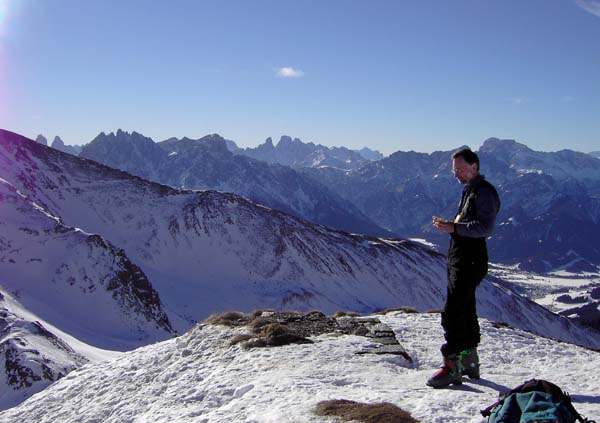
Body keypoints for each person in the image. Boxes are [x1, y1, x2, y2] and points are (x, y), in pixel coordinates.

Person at [427, 148, 500, 388]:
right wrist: (451, 226)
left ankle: (451, 365)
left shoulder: (484, 193)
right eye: (454, 169)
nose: (455, 174)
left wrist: (453, 228)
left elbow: (484, 228)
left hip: (469, 259)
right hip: (463, 258)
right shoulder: (471, 190)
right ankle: (469, 359)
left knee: (452, 312)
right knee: (466, 308)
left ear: (474, 167)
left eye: (459, 169)